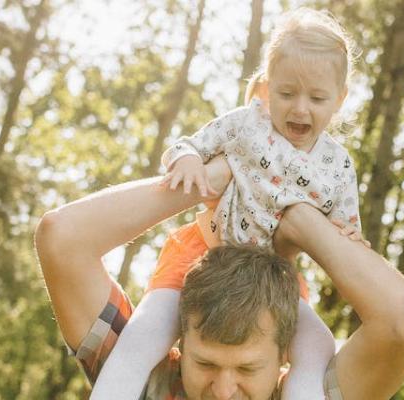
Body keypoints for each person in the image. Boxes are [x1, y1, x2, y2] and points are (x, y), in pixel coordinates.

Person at [92, 8, 367, 399]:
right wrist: (188, 162)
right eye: (287, 93)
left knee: (318, 345)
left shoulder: (337, 165)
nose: (300, 108)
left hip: (273, 277)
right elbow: (187, 146)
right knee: (143, 336)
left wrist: (350, 236)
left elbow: (344, 224)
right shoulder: (247, 124)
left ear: (339, 100)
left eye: (317, 97)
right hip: (201, 255)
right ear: (267, 88)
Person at [34, 157, 404, 399]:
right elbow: (61, 238)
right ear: (179, 340)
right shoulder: (145, 382)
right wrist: (211, 181)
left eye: (246, 370)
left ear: (284, 355)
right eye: (205, 363)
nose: (224, 391)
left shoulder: (303, 392)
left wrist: (300, 220)